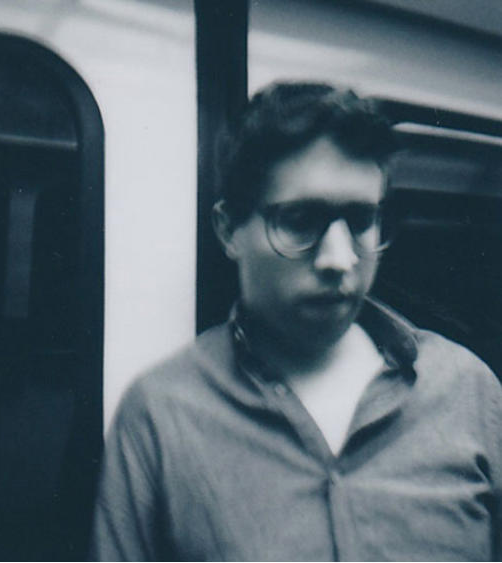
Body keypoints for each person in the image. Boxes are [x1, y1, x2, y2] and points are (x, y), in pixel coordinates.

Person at [91, 82, 502, 561]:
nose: (339, 259)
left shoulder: (467, 391)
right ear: (229, 230)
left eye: (361, 221)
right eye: (301, 220)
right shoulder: (161, 415)